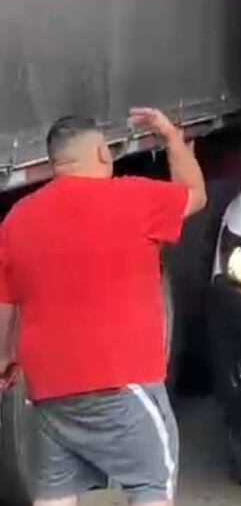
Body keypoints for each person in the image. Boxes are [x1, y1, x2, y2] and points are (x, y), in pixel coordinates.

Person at [0, 110, 206, 506]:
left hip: (49, 390)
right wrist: (171, 138)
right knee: (151, 485)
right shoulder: (134, 198)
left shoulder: (16, 218)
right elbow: (194, 194)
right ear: (101, 153)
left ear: (54, 161)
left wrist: (6, 358)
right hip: (123, 381)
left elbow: (5, 303)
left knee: (55, 494)